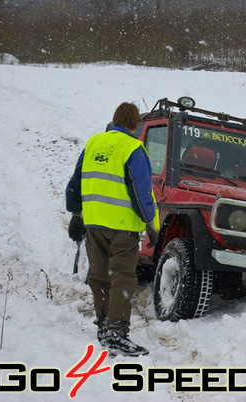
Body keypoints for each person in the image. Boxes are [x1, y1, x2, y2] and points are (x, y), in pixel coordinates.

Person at [66, 102, 160, 356]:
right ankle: (117, 332)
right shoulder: (133, 149)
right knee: (123, 277)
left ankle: (103, 323)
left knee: (100, 275)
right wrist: (151, 224)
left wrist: (76, 214)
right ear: (135, 124)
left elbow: (75, 182)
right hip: (122, 226)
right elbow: (141, 192)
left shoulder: (94, 143)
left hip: (94, 222)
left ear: (115, 119)